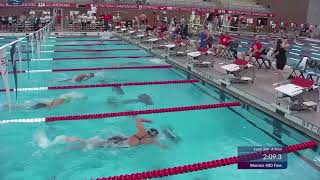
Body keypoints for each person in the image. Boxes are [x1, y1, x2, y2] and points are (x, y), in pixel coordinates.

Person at [35, 118, 165, 149]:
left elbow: (137, 119)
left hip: (120, 139)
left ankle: (70, 140)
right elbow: (160, 144)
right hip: (118, 142)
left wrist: (148, 120)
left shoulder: (142, 133)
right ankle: (67, 139)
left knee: (91, 144)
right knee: (89, 144)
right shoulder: (149, 140)